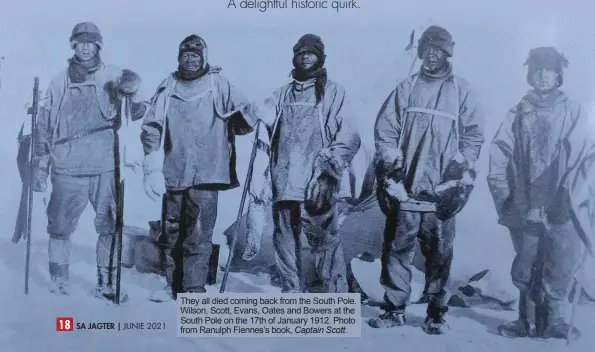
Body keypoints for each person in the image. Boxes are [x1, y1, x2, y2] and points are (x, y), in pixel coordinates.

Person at [370, 26, 485, 334]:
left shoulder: (462, 91)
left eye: (438, 50)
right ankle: (395, 308)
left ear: (448, 53)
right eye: (427, 49)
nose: (432, 55)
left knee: (439, 253)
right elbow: (385, 131)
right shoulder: (405, 88)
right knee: (397, 250)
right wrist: (391, 161)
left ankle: (436, 313)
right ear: (420, 52)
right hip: (405, 189)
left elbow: (473, 136)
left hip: (440, 193)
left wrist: (461, 167)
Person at [31, 22, 147, 302]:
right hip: (67, 166)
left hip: (104, 166)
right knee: (59, 227)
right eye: (79, 42)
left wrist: (134, 88)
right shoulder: (58, 82)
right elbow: (44, 126)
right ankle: (59, 281)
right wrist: (40, 165)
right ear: (73, 45)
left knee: (109, 226)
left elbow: (138, 110)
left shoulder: (112, 76)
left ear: (98, 45)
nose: (84, 47)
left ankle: (106, 283)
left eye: (90, 42)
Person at [487, 47, 595, 340]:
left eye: (549, 69)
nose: (543, 75)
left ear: (559, 74)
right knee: (527, 261)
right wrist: (508, 199)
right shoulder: (518, 113)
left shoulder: (573, 111)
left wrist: (570, 197)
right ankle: (525, 320)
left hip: (563, 204)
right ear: (529, 74)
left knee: (561, 261)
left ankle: (555, 320)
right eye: (537, 69)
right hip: (526, 204)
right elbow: (499, 157)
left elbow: (585, 156)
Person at [241, 34, 361, 293]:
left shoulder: (333, 92)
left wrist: (330, 165)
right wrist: (257, 113)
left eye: (311, 52)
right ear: (294, 57)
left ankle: (336, 296)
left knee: (324, 242)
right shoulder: (282, 93)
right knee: (284, 238)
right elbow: (261, 132)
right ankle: (291, 291)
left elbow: (349, 136)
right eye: (301, 52)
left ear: (320, 57)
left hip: (317, 182)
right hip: (283, 179)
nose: (306, 56)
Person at [141, 34, 251, 302]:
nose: (190, 60)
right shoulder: (168, 86)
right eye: (185, 55)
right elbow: (152, 127)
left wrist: (254, 113)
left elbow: (241, 122)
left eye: (195, 55)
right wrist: (152, 163)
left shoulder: (218, 84)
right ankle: (172, 285)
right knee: (171, 231)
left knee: (199, 235)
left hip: (207, 173)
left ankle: (193, 291)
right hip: (174, 171)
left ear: (204, 58)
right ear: (179, 58)